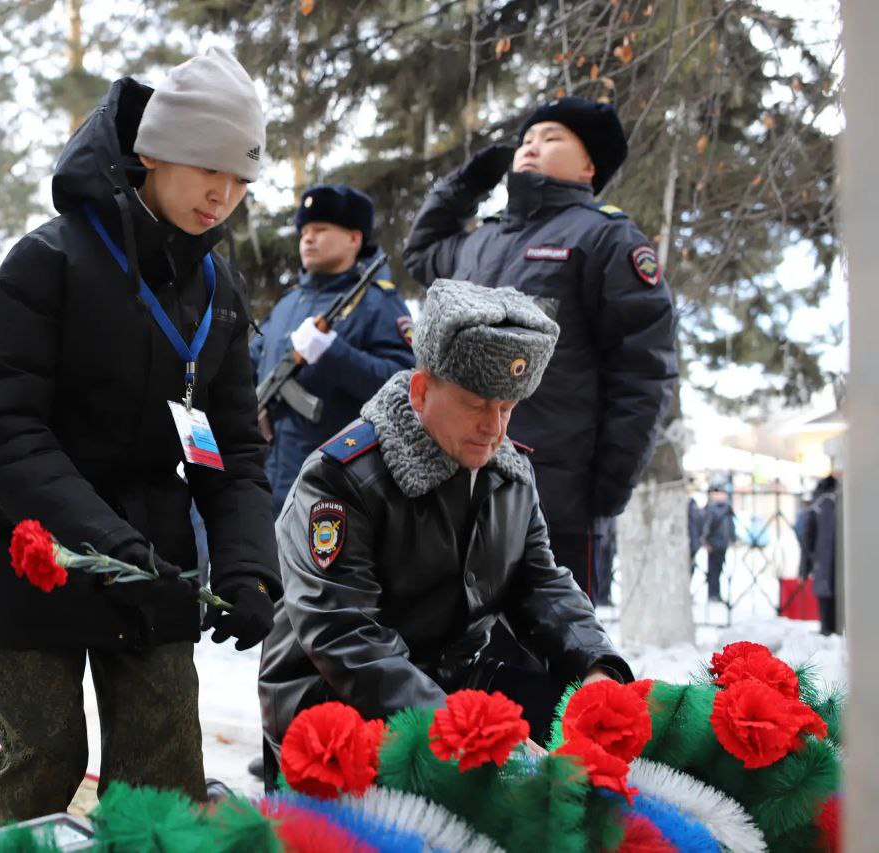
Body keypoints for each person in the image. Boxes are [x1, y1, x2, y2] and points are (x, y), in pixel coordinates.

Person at [0, 48, 282, 825]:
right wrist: (105, 541)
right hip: (31, 544)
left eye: (240, 178)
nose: (222, 194)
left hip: (153, 549)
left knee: (163, 769)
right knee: (47, 753)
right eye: (207, 166)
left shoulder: (218, 290)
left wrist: (247, 568)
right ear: (152, 153)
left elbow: (231, 448)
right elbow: (5, 431)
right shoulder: (49, 261)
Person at [258, 279, 632, 791]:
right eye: (477, 404)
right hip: (335, 707)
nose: (495, 428)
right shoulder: (340, 477)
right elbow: (345, 636)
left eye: (507, 408)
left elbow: (541, 584)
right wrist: (467, 731)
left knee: (598, 749)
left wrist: (595, 667)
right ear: (420, 390)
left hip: (453, 687)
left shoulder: (508, 471)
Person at [403, 97, 677, 601]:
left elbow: (643, 370)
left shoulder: (606, 239)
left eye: (551, 138)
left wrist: (609, 485)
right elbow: (420, 253)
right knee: (450, 647)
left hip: (554, 491)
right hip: (454, 479)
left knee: (546, 654)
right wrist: (465, 185)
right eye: (527, 139)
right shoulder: (481, 241)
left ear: (590, 166)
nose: (531, 147)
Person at [251, 184, 415, 514]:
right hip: (266, 478)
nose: (308, 239)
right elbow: (250, 362)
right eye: (305, 232)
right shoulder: (287, 304)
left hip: (334, 482)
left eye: (321, 230)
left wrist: (332, 353)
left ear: (355, 238)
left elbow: (403, 385)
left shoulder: (378, 303)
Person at [803, 474, 841, 635]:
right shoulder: (843, 501)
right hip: (840, 568)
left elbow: (807, 538)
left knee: (827, 611)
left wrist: (805, 569)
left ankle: (827, 632)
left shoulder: (817, 506)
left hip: (823, 567)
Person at [700, 485, 734, 602]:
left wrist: (731, 539)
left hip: (722, 543)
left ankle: (716, 593)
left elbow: (730, 526)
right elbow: (706, 527)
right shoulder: (710, 509)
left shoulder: (727, 509)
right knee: (713, 570)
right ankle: (712, 594)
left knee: (719, 570)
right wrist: (706, 541)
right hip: (713, 543)